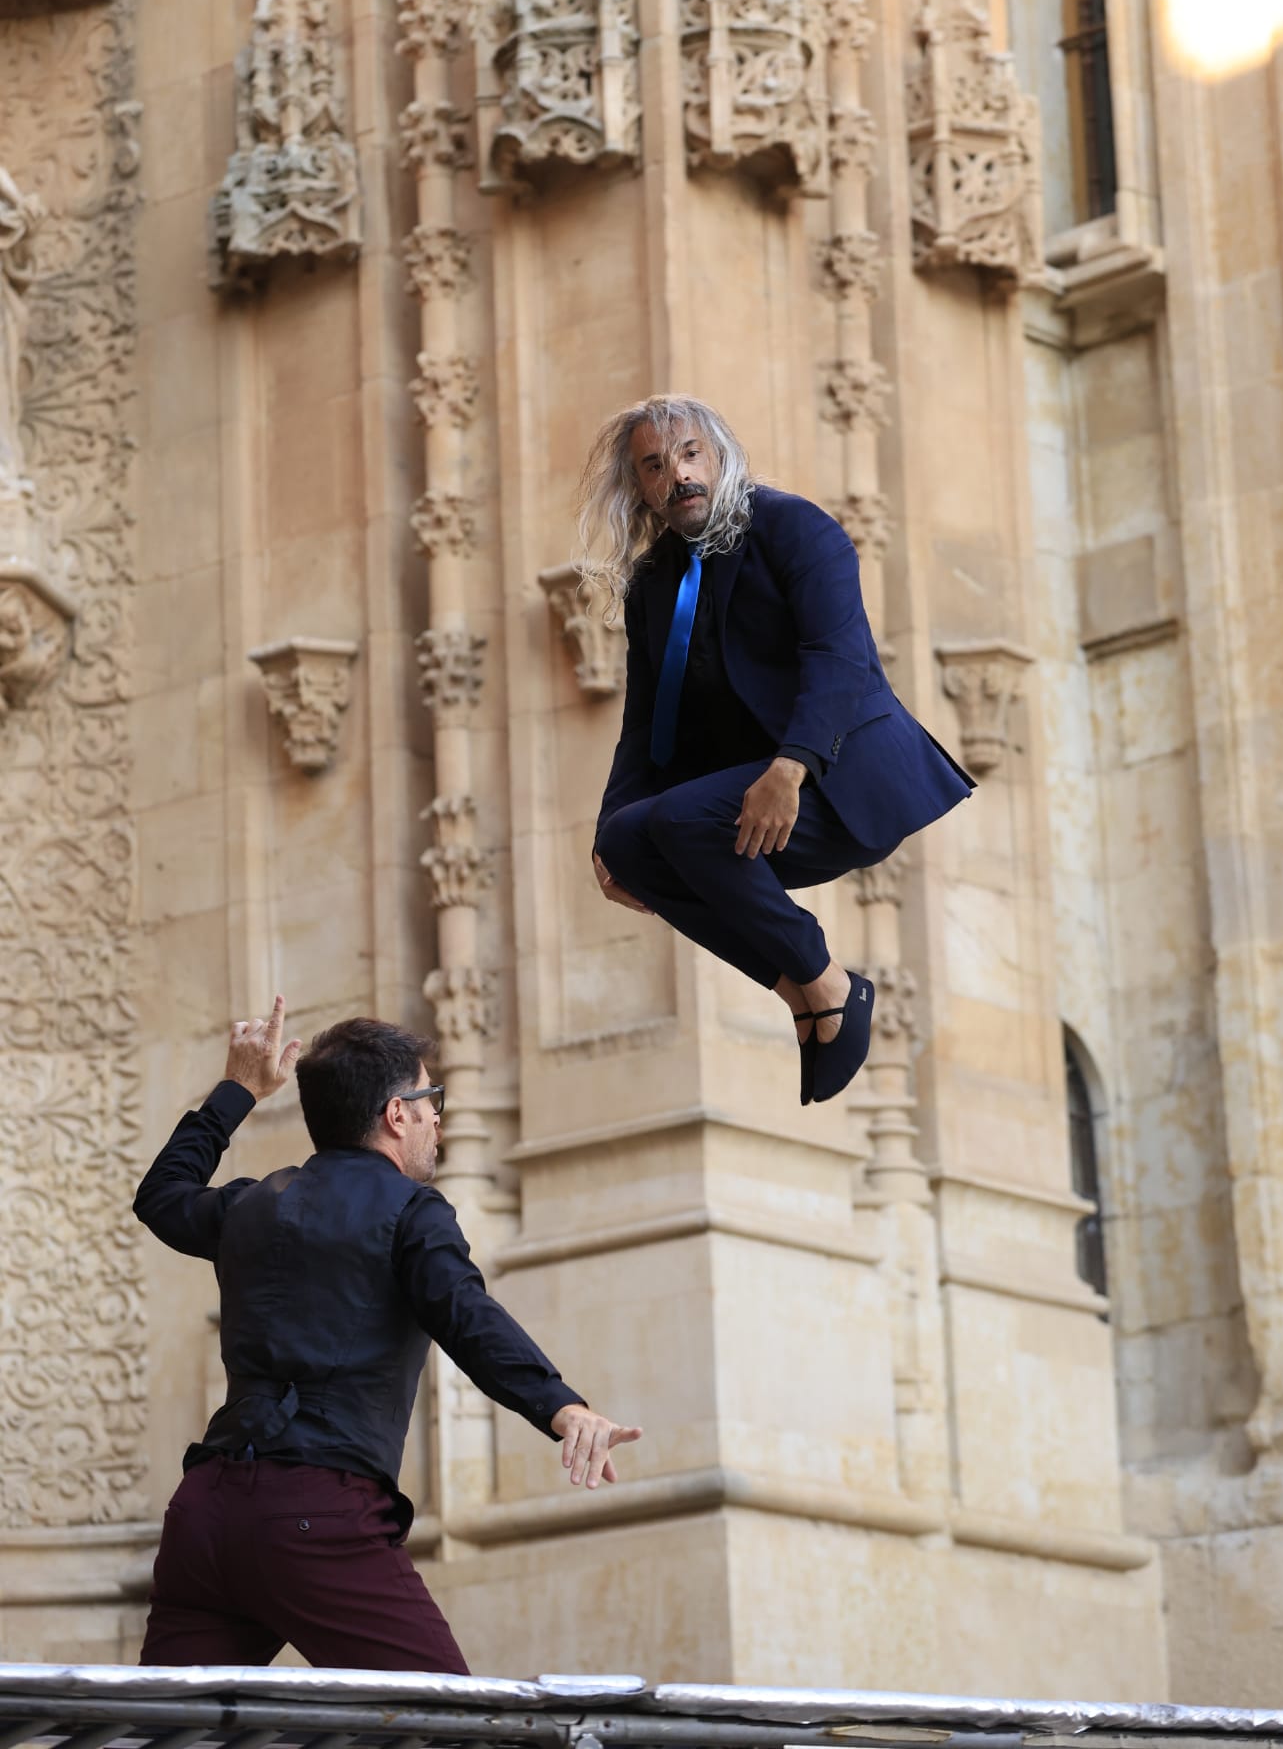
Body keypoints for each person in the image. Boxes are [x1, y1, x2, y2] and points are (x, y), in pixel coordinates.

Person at [134, 999, 641, 1670]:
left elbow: (162, 1195)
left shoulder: (251, 1204)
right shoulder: (412, 1211)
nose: (440, 1115)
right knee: (448, 1726)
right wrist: (560, 1405)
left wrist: (238, 1090)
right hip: (316, 1517)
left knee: (156, 1732)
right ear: (397, 1114)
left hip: (206, 1517)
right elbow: (464, 1314)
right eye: (431, 1097)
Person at [583, 396, 973, 1107]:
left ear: (720, 455)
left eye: (692, 453)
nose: (679, 474)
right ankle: (803, 994)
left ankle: (829, 986)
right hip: (748, 803)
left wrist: (789, 766)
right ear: (638, 487)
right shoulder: (653, 584)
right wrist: (609, 836)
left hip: (838, 778)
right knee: (631, 840)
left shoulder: (793, 527)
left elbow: (837, 659)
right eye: (655, 464)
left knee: (676, 822)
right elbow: (642, 723)